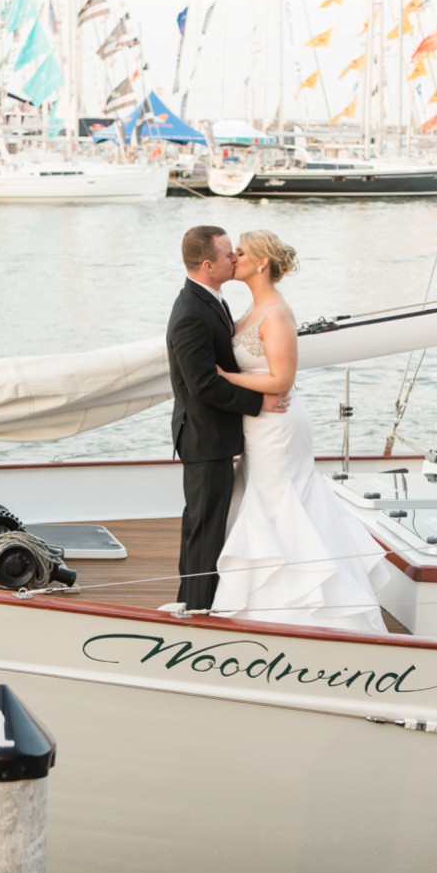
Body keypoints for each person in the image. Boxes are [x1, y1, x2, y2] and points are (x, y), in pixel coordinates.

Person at [210, 229, 390, 635]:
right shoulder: (249, 312)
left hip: (279, 423)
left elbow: (281, 380)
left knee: (282, 499)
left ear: (261, 263)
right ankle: (261, 600)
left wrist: (226, 378)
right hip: (257, 424)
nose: (233, 256)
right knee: (260, 495)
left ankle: (302, 604)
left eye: (242, 252)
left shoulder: (276, 314)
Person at [166, 225, 289, 611]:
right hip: (204, 436)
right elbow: (203, 384)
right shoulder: (191, 312)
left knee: (202, 521)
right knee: (205, 527)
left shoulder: (212, 300)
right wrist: (259, 403)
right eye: (226, 254)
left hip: (216, 434)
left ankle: (190, 599)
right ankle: (199, 609)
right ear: (207, 265)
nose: (233, 259)